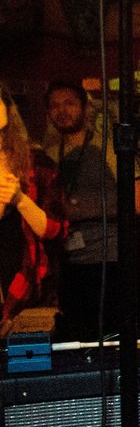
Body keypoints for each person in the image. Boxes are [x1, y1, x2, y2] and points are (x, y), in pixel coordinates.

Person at [43, 81, 140, 341]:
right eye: (54, 106)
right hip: (66, 266)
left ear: (86, 109)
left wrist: (77, 210)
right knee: (74, 344)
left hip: (109, 262)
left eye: (69, 103)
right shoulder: (47, 156)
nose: (62, 111)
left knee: (110, 340)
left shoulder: (113, 149)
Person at [0, 86, 63, 327]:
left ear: (8, 109)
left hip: (25, 287)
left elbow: (56, 230)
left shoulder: (36, 163)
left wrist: (19, 199)